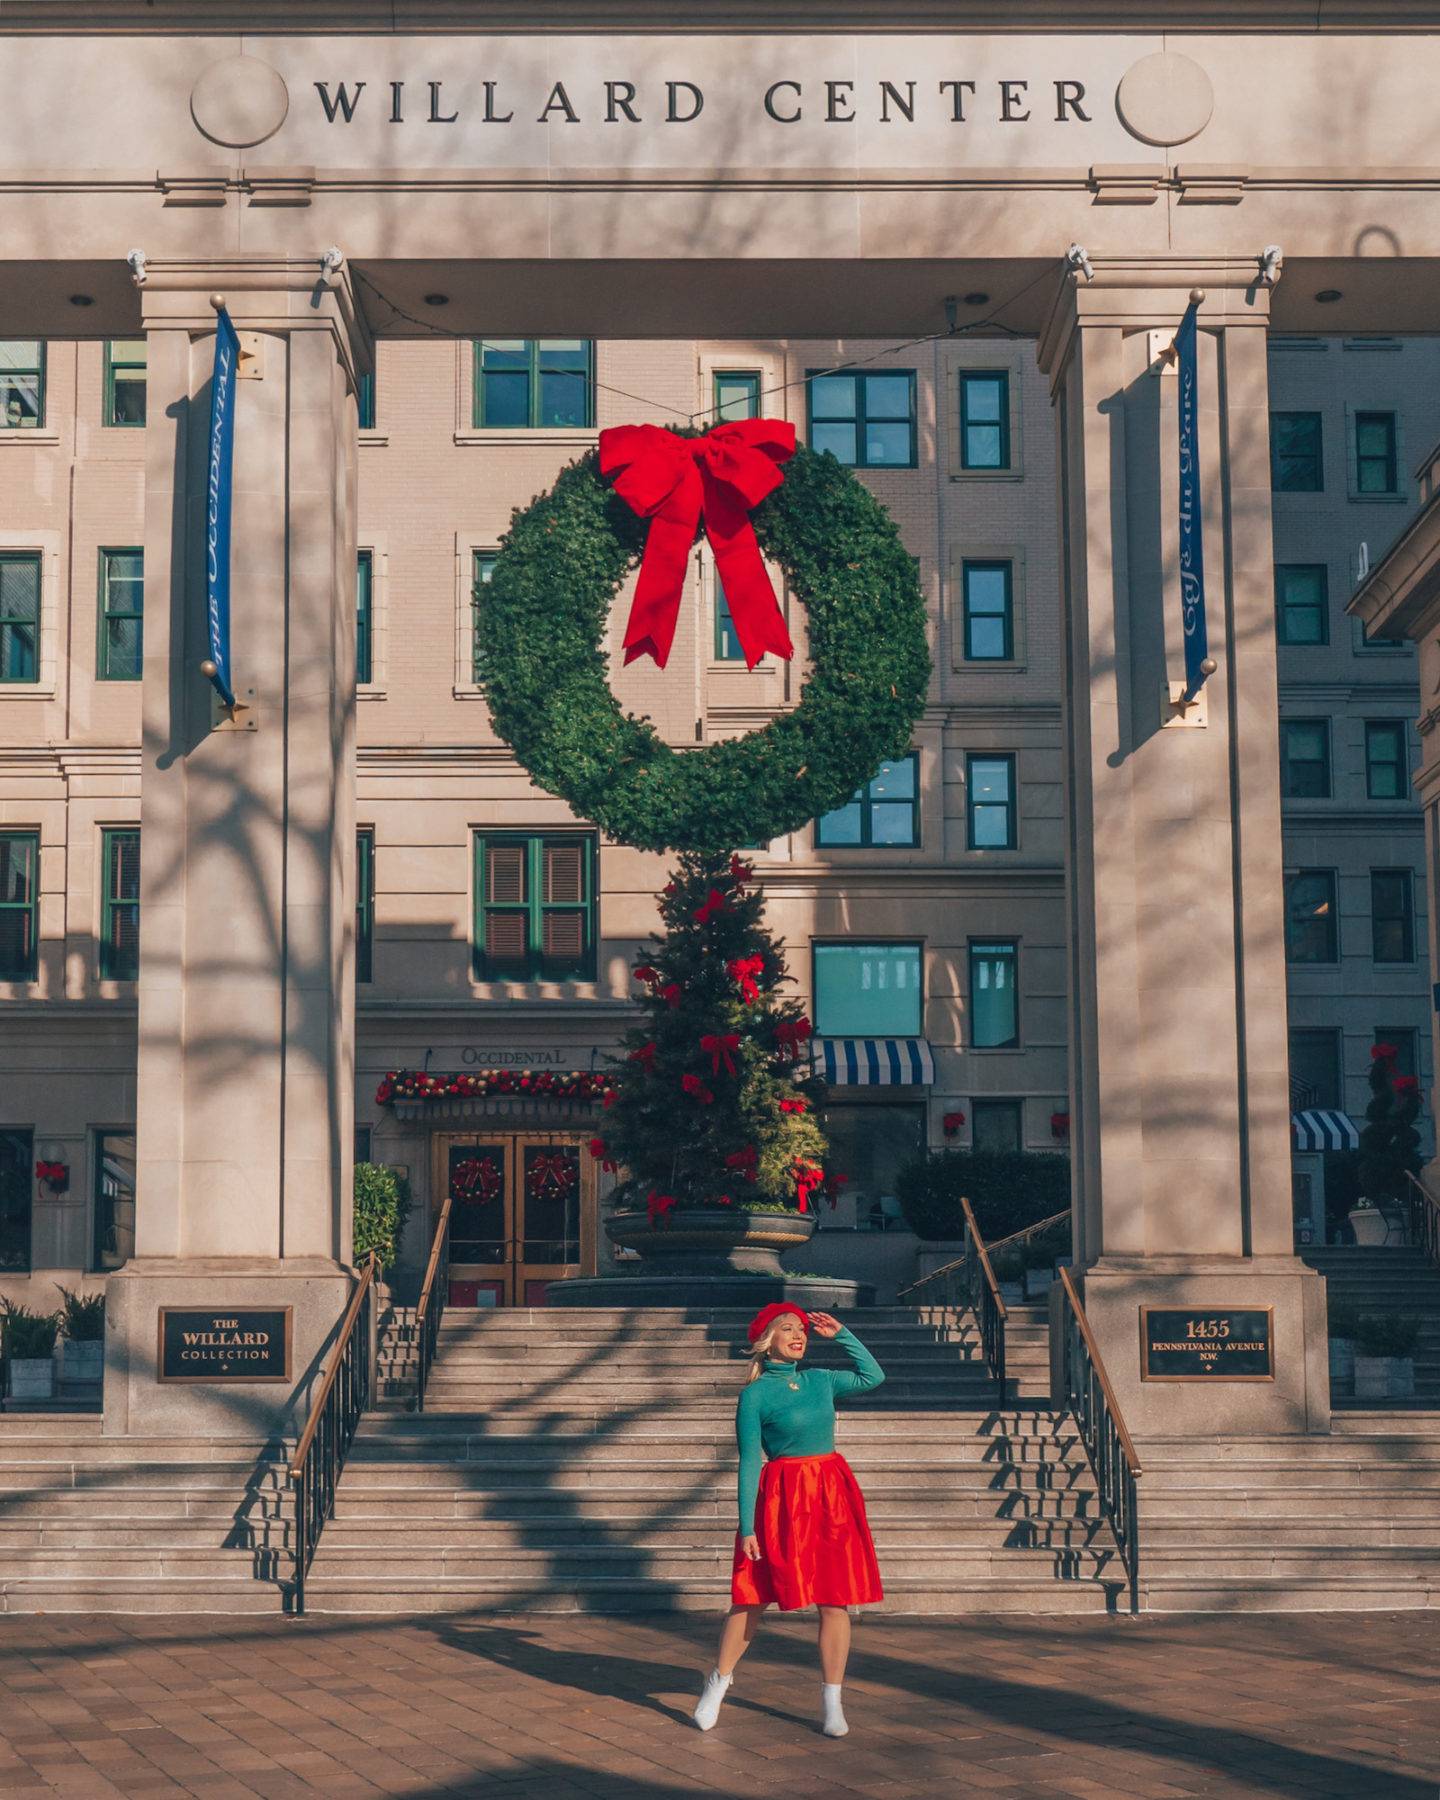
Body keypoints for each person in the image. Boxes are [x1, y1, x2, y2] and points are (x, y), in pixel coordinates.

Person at [692, 1303, 884, 1738]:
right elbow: (747, 1463)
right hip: (781, 1498)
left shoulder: (820, 1380)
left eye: (801, 1329)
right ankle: (717, 1683)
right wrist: (746, 1528)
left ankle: (832, 1701)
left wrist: (843, 1334)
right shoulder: (755, 1396)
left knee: (836, 1599)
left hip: (831, 1494)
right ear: (767, 1339)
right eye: (787, 1329)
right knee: (751, 1597)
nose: (799, 1335)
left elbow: (873, 1377)